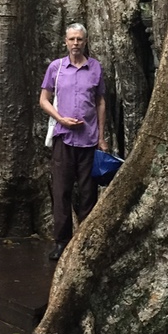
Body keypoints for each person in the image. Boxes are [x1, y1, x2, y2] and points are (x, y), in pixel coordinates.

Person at [39, 24, 107, 261]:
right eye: (72, 39)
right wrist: (61, 119)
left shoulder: (95, 67)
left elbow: (100, 103)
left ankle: (84, 242)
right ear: (65, 41)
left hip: (88, 141)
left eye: (79, 39)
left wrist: (101, 138)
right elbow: (44, 100)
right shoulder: (56, 68)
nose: (75, 43)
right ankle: (61, 242)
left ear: (85, 42)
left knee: (88, 193)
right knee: (62, 192)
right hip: (64, 139)